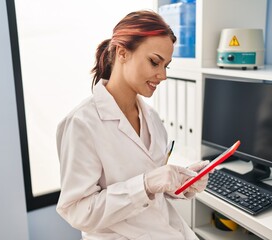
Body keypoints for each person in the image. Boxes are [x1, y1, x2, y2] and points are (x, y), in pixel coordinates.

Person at [56, 10, 210, 240]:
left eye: (166, 65)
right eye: (154, 62)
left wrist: (180, 185)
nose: (163, 75)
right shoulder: (81, 124)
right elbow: (77, 211)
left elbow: (150, 192)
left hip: (167, 231)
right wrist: (146, 185)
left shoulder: (153, 119)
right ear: (122, 53)